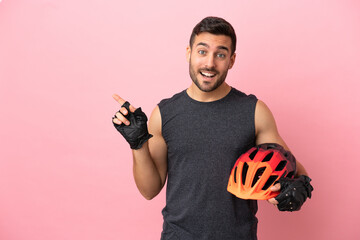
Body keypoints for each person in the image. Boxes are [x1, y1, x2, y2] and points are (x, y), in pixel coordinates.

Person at [112, 16, 313, 240]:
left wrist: (297, 187)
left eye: (220, 54)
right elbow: (149, 190)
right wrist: (138, 144)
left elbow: (291, 166)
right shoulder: (163, 113)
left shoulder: (254, 111)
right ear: (189, 53)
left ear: (232, 60)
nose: (210, 63)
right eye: (202, 51)